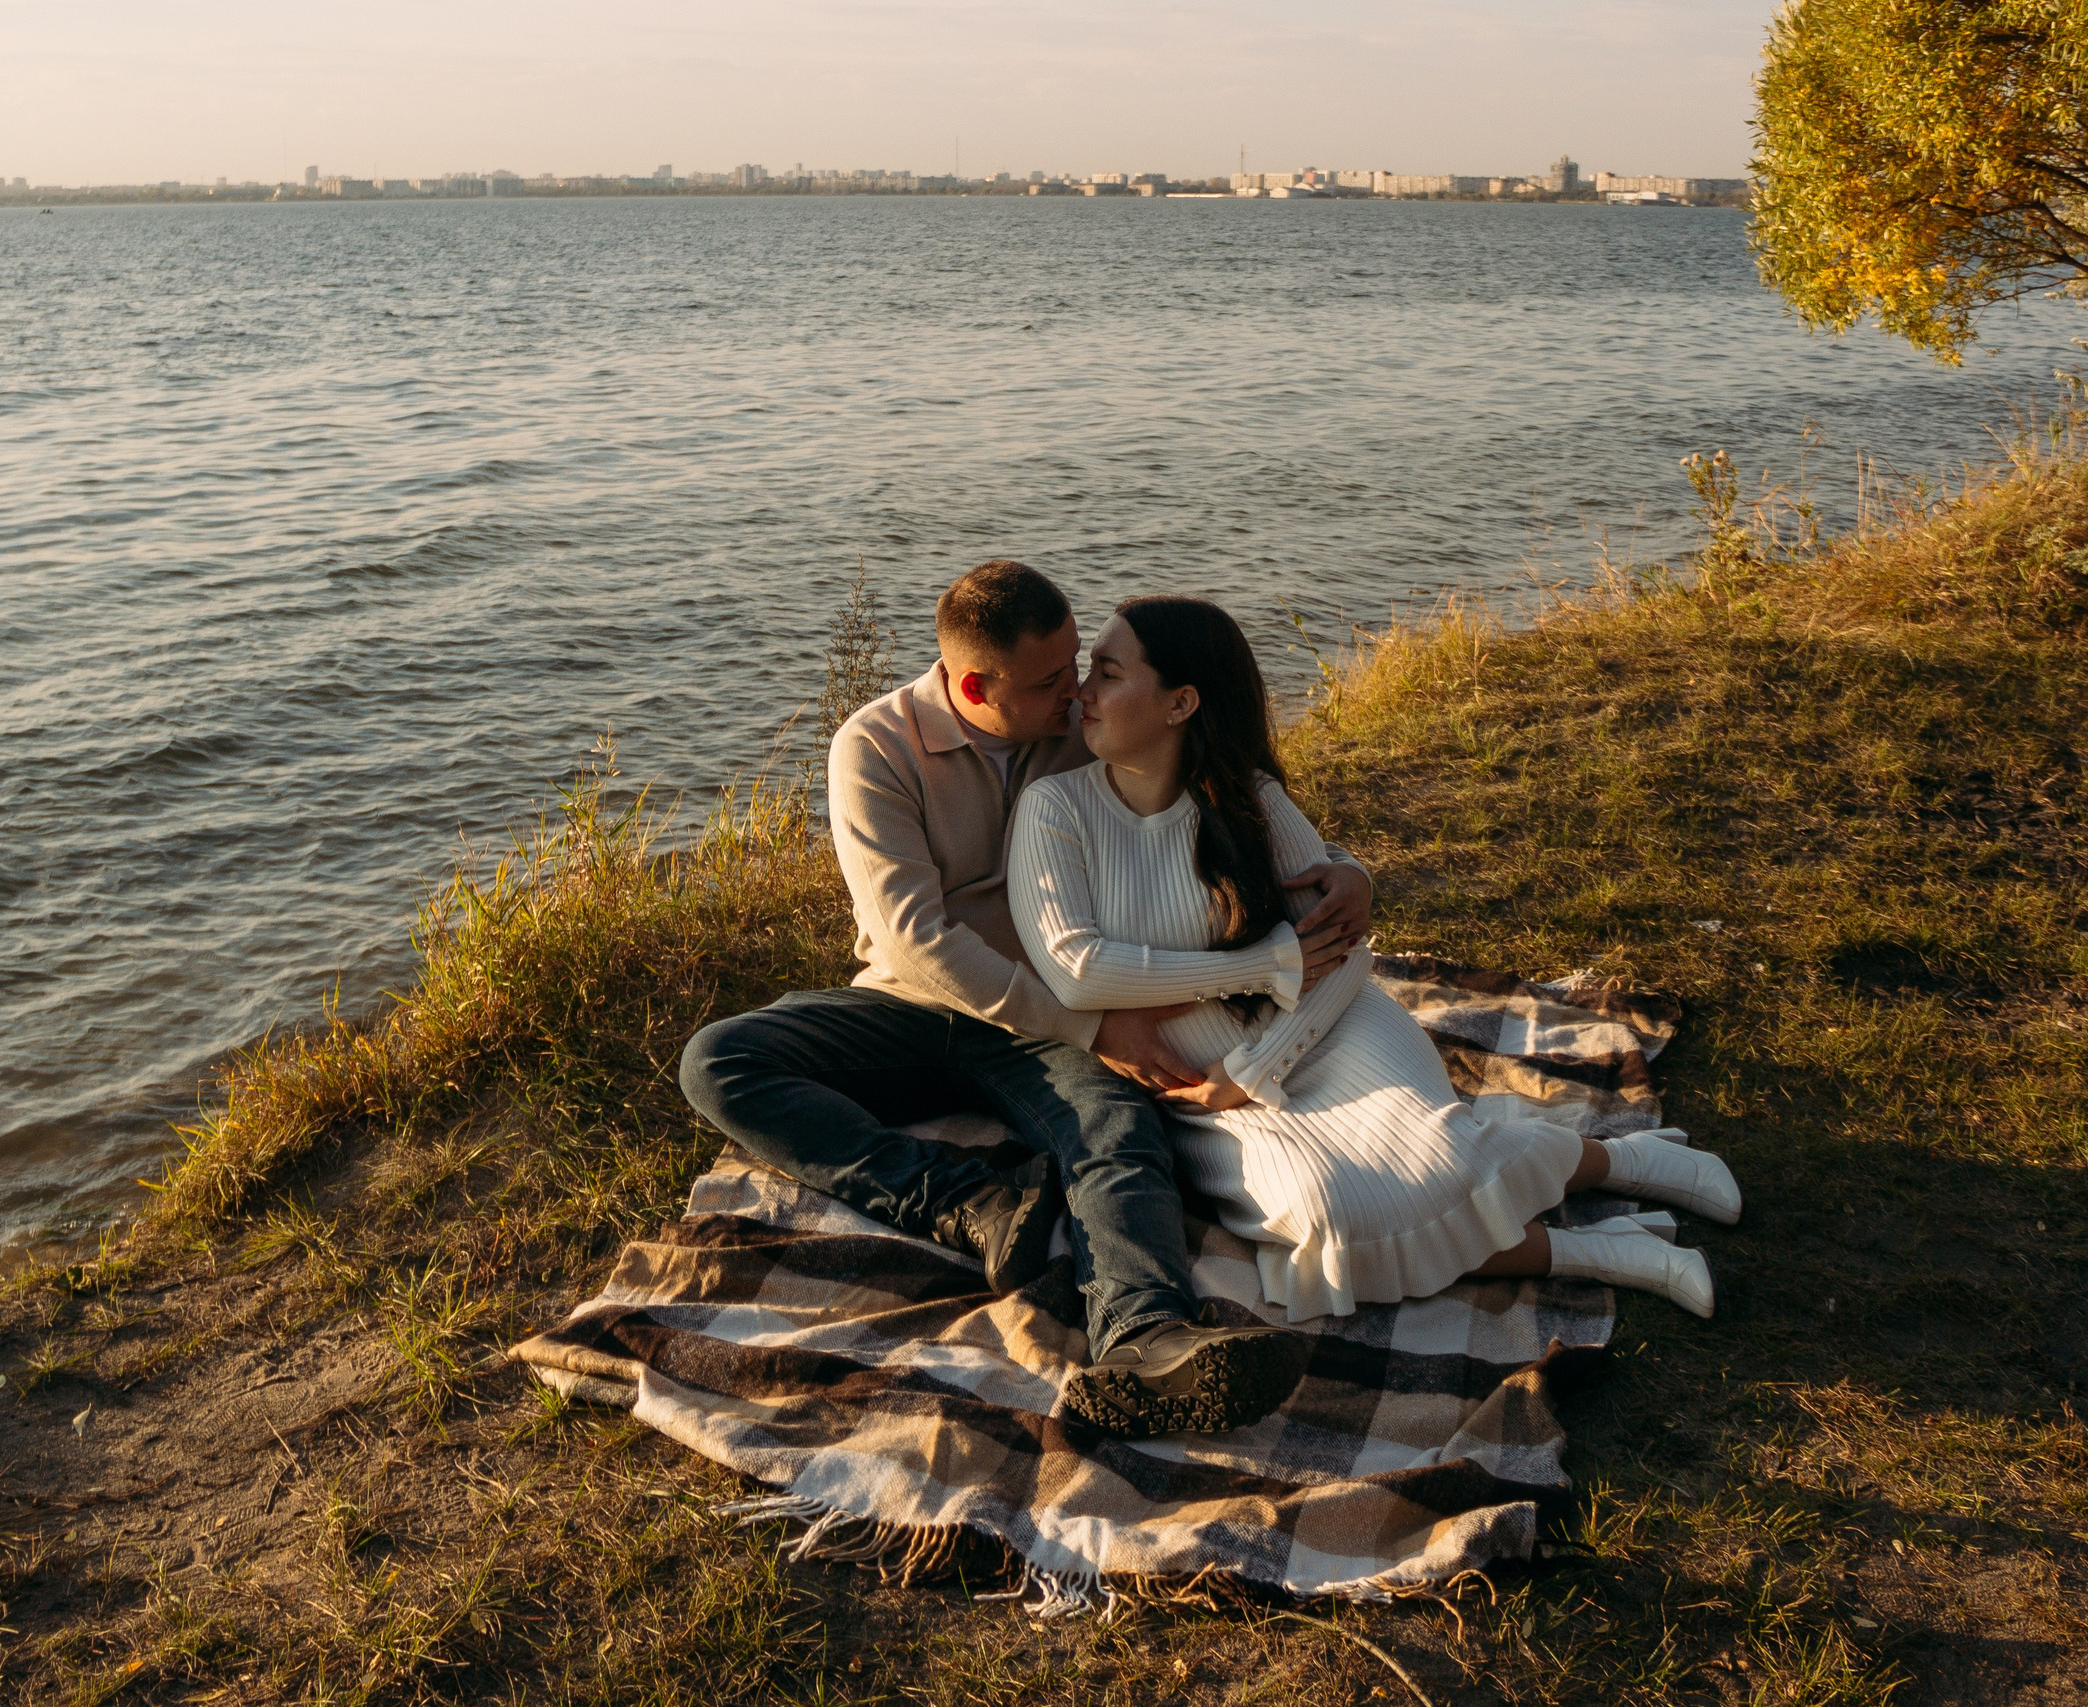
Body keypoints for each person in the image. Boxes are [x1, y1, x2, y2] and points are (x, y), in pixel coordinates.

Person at [680, 561, 1376, 1438]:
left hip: (1050, 1018)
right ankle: (967, 1203)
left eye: (1082, 665)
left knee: (1119, 1133)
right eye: (1052, 680)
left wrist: (1346, 866)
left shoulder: (1077, 728)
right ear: (975, 685)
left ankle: (1144, 1338)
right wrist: (1089, 1024)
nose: (1079, 692)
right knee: (719, 1059)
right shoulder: (875, 746)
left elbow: (1215, 777)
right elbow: (913, 940)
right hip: (920, 1006)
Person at [1004, 595, 1742, 1328]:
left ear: (1180, 702)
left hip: (1327, 1031)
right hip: (1199, 1093)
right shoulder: (1054, 810)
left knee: (1443, 1158)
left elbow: (1343, 958)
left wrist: (1261, 1060)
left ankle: (1629, 1164)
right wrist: (1264, 968)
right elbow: (1080, 970)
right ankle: (1608, 1247)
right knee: (1328, 1217)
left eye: (1106, 671)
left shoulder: (1248, 800)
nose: (1081, 691)